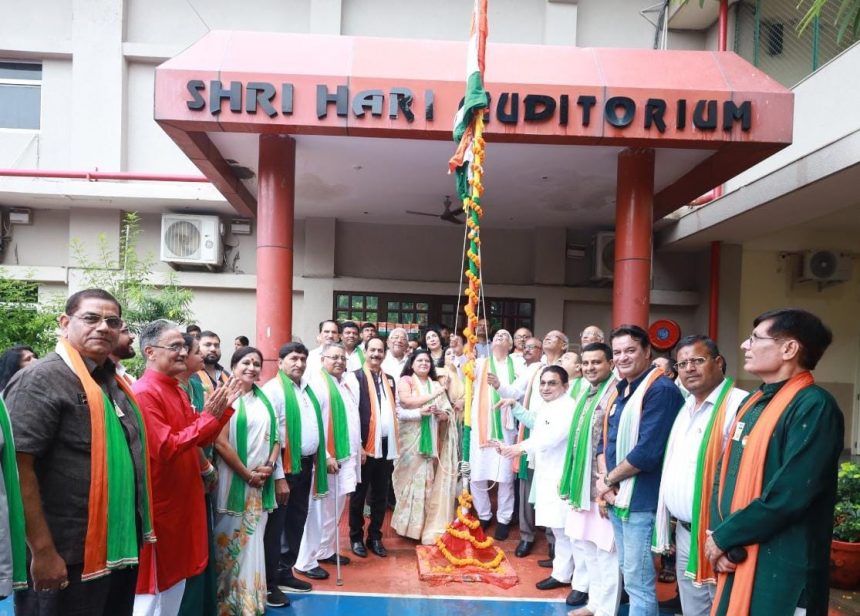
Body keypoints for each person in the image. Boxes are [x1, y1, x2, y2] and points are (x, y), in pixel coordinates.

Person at [5, 289, 151, 615]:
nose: (103, 327)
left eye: (112, 321)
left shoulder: (112, 382)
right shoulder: (40, 380)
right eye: (91, 318)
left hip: (116, 548)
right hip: (65, 553)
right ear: (65, 322)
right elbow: (18, 468)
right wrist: (42, 552)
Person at [705, 309, 843, 616]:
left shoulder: (814, 406)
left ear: (789, 349)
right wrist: (717, 536)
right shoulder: (753, 402)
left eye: (754, 338)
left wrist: (727, 536)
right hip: (739, 552)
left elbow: (792, 493)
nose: (744, 345)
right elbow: (724, 473)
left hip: (783, 563)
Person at [133, 320, 239, 616]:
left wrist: (219, 412)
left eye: (184, 346)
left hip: (183, 503)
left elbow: (199, 437)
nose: (183, 352)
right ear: (150, 352)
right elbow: (165, 447)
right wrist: (209, 417)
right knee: (152, 595)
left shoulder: (176, 390)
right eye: (175, 346)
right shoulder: (145, 393)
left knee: (175, 588)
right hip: (162, 509)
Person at [652, 335, 747, 616]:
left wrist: (730, 536)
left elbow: (744, 476)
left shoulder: (740, 406)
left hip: (719, 536)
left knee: (723, 607)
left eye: (698, 360)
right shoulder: (686, 408)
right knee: (694, 608)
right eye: (682, 363)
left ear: (718, 363)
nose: (689, 368)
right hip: (685, 533)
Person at [595, 324, 684, 616]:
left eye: (630, 350)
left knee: (639, 580)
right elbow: (604, 441)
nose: (622, 357)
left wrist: (607, 480)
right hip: (618, 496)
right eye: (618, 352)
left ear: (647, 351)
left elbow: (647, 453)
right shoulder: (622, 389)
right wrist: (606, 485)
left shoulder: (661, 390)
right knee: (629, 572)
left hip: (641, 500)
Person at [213, 346, 280, 615]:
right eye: (246, 363)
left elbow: (276, 437)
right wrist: (246, 474)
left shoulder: (265, 400)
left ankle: (249, 602)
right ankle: (225, 604)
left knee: (254, 544)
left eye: (256, 364)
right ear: (234, 365)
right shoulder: (225, 397)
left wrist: (270, 466)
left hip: (259, 484)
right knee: (229, 543)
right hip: (233, 482)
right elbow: (220, 442)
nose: (251, 368)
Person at [498, 366, 576, 593]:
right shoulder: (549, 406)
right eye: (543, 383)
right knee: (559, 527)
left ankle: (568, 576)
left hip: (559, 474)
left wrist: (518, 448)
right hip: (547, 471)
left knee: (565, 529)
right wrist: (515, 406)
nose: (545, 387)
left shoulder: (567, 408)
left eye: (552, 383)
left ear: (565, 386)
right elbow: (537, 426)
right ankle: (563, 570)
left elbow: (550, 438)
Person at [260, 342, 325, 607]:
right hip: (284, 466)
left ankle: (286, 572)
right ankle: (269, 584)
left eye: (303, 359)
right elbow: (271, 437)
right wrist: (278, 477)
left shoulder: (306, 390)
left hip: (305, 464)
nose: (299, 363)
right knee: (276, 527)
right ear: (281, 361)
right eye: (294, 359)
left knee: (296, 520)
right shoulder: (273, 391)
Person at [561, 342, 621, 615]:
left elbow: (614, 443)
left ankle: (606, 610)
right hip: (582, 484)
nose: (589, 368)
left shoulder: (616, 393)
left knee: (605, 551)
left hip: (603, 486)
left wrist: (606, 485)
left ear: (610, 363)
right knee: (588, 547)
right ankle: (594, 604)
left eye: (596, 362)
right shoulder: (588, 392)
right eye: (585, 363)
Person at [295, 343, 360, 580]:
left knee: (336, 508)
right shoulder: (317, 385)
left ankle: (325, 549)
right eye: (334, 357)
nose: (340, 362)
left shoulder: (345, 384)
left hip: (346, 457)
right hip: (326, 460)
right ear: (322, 359)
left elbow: (352, 420)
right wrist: (326, 456)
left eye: (343, 358)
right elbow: (313, 425)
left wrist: (359, 447)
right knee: (318, 511)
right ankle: (305, 561)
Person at [390, 349, 457, 544]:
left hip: (430, 440)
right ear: (411, 363)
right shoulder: (406, 381)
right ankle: (406, 526)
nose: (424, 363)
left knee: (427, 479)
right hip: (409, 440)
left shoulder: (435, 383)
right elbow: (406, 402)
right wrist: (431, 399)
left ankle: (424, 527)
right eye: (419, 360)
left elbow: (448, 413)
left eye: (427, 361)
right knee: (408, 480)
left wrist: (439, 413)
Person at [176, 333, 218, 616]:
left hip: (198, 475)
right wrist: (205, 467)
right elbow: (185, 436)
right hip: (182, 480)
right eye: (198, 350)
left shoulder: (192, 384)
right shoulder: (160, 389)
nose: (203, 355)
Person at [349, 337, 398, 558]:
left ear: (384, 354)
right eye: (372, 350)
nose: (376, 354)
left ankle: (375, 537)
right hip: (365, 446)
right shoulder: (355, 378)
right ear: (365, 352)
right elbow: (352, 415)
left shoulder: (390, 380)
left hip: (386, 445)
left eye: (380, 351)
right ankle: (356, 537)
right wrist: (358, 446)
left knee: (381, 493)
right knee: (359, 495)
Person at [496, 335, 543, 557]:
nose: (527, 349)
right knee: (525, 486)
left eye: (533, 347)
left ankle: (552, 540)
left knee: (550, 490)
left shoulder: (557, 367)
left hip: (552, 434)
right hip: (529, 428)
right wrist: (501, 389)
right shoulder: (527, 370)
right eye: (525, 347)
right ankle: (526, 536)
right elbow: (514, 393)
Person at [470, 329, 518, 540]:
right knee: (477, 472)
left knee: (506, 474)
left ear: (510, 345)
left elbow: (519, 392)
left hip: (505, 425)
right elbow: (464, 375)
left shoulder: (517, 364)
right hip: (481, 425)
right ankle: (484, 514)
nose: (500, 337)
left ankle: (504, 519)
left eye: (505, 336)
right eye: (497, 335)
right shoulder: (480, 362)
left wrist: (500, 385)